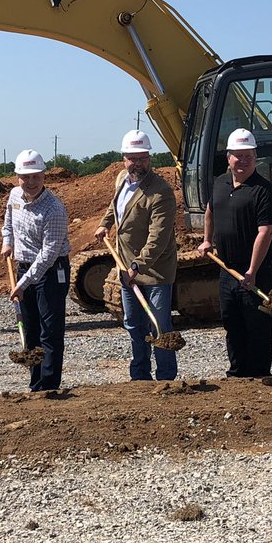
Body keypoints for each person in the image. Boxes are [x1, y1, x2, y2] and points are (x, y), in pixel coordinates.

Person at [94, 130, 179, 381]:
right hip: (126, 267)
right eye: (132, 158)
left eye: (142, 158)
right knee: (133, 323)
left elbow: (159, 237)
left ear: (149, 158)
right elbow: (115, 204)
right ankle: (140, 376)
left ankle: (166, 378)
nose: (137, 163)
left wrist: (138, 266)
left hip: (154, 271)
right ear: (124, 159)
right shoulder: (123, 178)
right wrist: (104, 223)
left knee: (159, 323)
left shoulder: (160, 192)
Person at [197, 128, 272, 377]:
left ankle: (259, 375)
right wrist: (206, 240)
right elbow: (211, 211)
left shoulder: (264, 191)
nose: (242, 161)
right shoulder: (220, 183)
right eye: (238, 156)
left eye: (248, 156)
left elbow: (265, 233)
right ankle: (237, 374)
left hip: (256, 271)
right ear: (228, 157)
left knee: (257, 325)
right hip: (227, 268)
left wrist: (252, 271)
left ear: (256, 158)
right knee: (232, 324)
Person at [2, 149, 71, 391]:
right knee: (30, 328)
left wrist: (23, 284)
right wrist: (7, 241)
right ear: (17, 176)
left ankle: (49, 386)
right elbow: (8, 222)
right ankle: (36, 384)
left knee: (49, 332)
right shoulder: (14, 196)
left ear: (44, 176)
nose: (30, 182)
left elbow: (48, 255)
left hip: (51, 272)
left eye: (35, 177)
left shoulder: (54, 209)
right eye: (25, 177)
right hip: (23, 268)